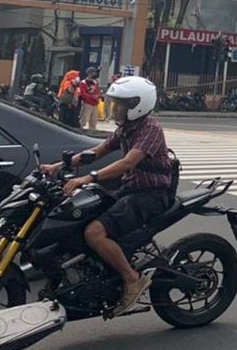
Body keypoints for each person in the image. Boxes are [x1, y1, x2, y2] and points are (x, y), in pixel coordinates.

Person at [41, 76, 172, 316]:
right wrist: (58, 166)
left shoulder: (150, 129)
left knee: (95, 232)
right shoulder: (126, 128)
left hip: (150, 195)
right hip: (130, 189)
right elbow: (97, 151)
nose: (114, 108)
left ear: (136, 105)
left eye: (120, 104)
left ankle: (132, 279)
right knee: (80, 217)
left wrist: (86, 178)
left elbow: (127, 162)